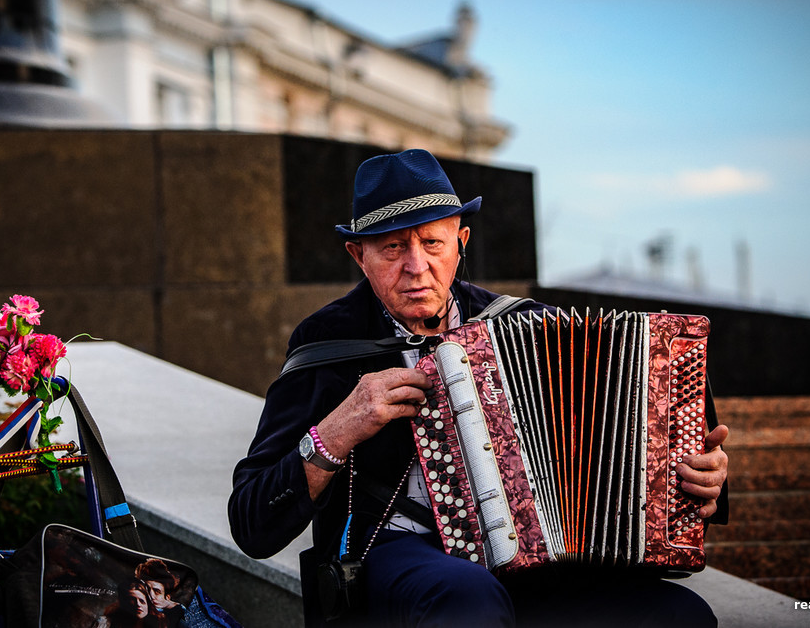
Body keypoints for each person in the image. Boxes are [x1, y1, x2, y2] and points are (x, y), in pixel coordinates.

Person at [228, 149, 729, 627]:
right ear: (358, 256)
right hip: (400, 551)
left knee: (678, 613)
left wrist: (698, 482)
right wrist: (337, 431)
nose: (417, 266)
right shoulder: (327, 342)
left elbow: (631, 445)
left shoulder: (526, 325)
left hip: (541, 557)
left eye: (433, 243)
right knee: (466, 595)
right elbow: (252, 523)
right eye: (393, 248)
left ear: (461, 240)